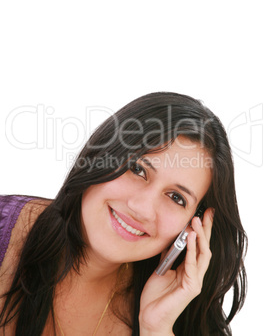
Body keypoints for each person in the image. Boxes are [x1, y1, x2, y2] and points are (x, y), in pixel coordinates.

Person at [0, 92, 247, 335]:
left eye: (176, 198)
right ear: (103, 155)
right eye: (137, 169)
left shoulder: (177, 313)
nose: (141, 208)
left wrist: (156, 329)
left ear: (194, 227)